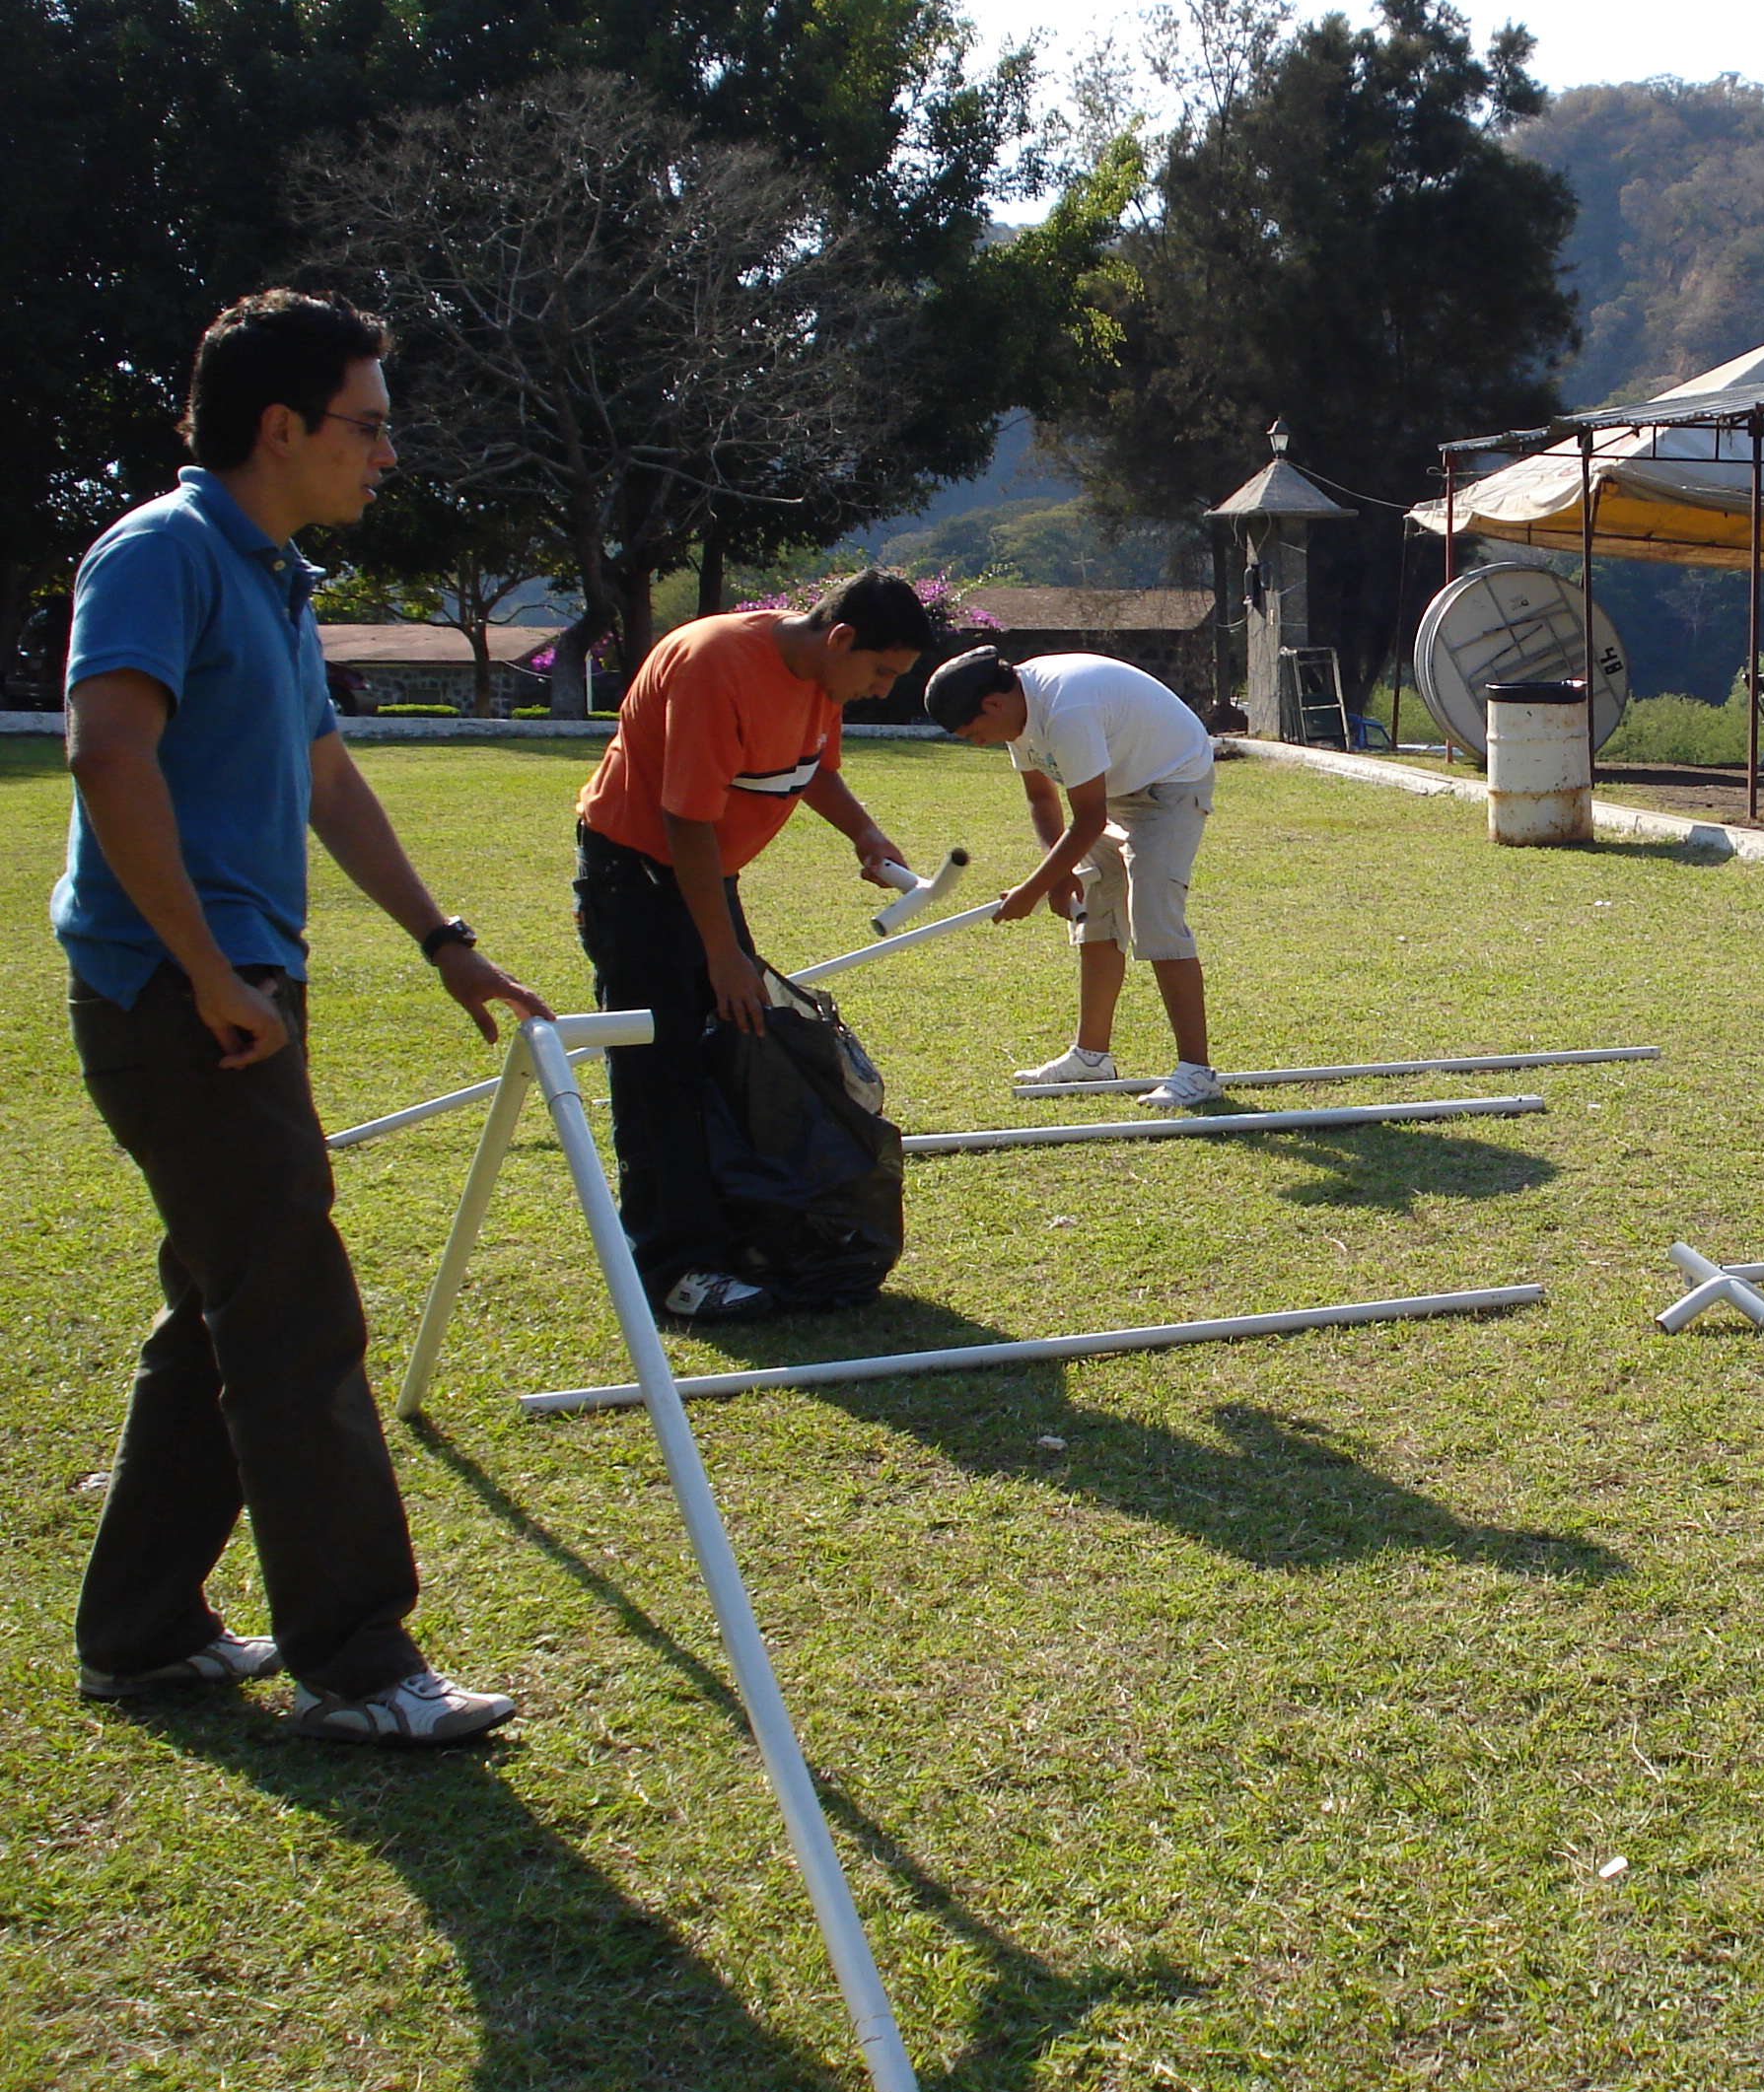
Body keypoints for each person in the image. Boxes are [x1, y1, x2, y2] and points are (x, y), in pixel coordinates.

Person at [57, 288, 556, 1745]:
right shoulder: (159, 552)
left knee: (227, 1301)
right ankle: (359, 1662)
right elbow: (106, 755)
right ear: (281, 426)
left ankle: (143, 1632)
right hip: (177, 998)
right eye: (367, 424)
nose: (387, 453)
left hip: (238, 989)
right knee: (291, 1311)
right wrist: (209, 971)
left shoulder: (273, 576)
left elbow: (326, 777)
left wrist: (444, 944)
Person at [572, 572, 930, 1324]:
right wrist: (722, 953)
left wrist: (863, 832)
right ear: (840, 638)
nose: (882, 690)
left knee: (727, 1050)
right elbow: (685, 821)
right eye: (880, 672)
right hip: (636, 879)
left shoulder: (821, 681)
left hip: (705, 878)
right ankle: (677, 1270)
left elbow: (812, 769)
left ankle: (732, 1239)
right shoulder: (714, 666)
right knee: (660, 1068)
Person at [920, 646, 1221, 1107]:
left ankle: (1197, 1073)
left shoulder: (1065, 709)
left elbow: (1088, 819)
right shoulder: (1016, 711)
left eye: (974, 734)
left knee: (1153, 916)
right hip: (1115, 787)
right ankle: (1091, 1058)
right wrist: (1059, 875)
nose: (978, 744)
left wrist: (1033, 890)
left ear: (993, 704)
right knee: (1094, 910)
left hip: (1171, 782)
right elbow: (1042, 798)